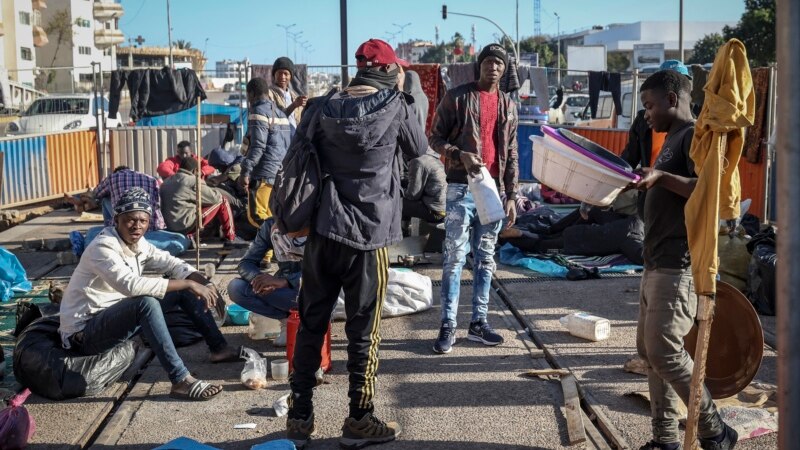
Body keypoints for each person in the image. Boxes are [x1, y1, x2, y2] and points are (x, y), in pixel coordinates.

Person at [284, 38, 426, 449]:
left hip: (322, 232)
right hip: (368, 238)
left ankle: (300, 415)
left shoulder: (320, 107)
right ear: (387, 70)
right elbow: (419, 151)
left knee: (312, 323)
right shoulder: (396, 105)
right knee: (365, 331)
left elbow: (297, 157)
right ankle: (360, 418)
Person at [633, 70, 737, 450]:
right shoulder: (671, 139)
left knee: (664, 350)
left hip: (677, 265)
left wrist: (660, 177)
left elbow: (707, 190)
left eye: (649, 105)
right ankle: (664, 439)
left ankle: (715, 429)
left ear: (673, 99)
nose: (646, 114)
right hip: (654, 261)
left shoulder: (694, 136)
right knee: (650, 354)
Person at [58, 188, 241, 401]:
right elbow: (131, 286)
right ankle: (180, 380)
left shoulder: (137, 243)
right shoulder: (103, 247)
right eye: (130, 220)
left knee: (185, 290)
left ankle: (219, 348)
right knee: (148, 302)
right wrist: (187, 283)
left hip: (111, 316)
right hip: (84, 333)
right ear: (116, 220)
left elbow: (170, 262)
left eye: (143, 221)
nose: (137, 226)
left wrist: (200, 281)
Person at [429, 43, 519, 354]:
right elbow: (434, 137)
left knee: (486, 259)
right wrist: (459, 155)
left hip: (493, 192)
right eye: (488, 62)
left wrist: (511, 194)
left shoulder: (508, 104)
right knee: (454, 258)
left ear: (504, 69)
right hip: (460, 188)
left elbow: (511, 153)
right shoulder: (457, 97)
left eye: (499, 63)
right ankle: (448, 325)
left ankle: (479, 323)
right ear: (478, 66)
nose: (493, 67)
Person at [227, 217, 302, 346]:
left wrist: (286, 281)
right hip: (287, 294)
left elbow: (327, 270)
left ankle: (306, 323)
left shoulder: (318, 222)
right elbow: (246, 263)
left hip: (314, 292)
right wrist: (259, 280)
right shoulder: (270, 225)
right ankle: (288, 321)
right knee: (236, 288)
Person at [238, 77, 292, 228]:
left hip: (263, 174)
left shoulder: (258, 112)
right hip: (279, 174)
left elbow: (258, 147)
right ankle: (270, 251)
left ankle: (273, 247)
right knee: (270, 215)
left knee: (257, 216)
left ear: (252, 94)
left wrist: (245, 172)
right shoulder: (280, 114)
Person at [159, 157, 242, 244]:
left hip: (170, 227)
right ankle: (231, 238)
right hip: (185, 226)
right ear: (195, 171)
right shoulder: (193, 181)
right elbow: (215, 198)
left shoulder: (166, 181)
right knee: (222, 200)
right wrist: (208, 185)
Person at [94, 166, 166, 231]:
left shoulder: (113, 177)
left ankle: (108, 229)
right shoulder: (151, 179)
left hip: (126, 222)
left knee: (105, 200)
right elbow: (158, 202)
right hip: (153, 224)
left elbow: (96, 193)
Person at [402, 149, 446, 225]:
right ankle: (405, 226)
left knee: (396, 200)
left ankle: (401, 230)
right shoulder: (432, 158)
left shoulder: (417, 161)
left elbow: (412, 195)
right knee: (404, 186)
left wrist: (400, 191)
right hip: (442, 209)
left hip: (435, 213)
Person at [266, 57, 308, 135]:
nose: (282, 77)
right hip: (278, 142)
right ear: (274, 75)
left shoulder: (293, 96)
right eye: (279, 73)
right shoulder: (268, 94)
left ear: (290, 76)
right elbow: (274, 119)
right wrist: (294, 105)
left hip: (294, 142)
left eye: (286, 73)